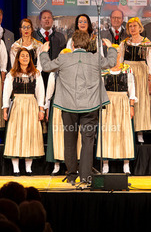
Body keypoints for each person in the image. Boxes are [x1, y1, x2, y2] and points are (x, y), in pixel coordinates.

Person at [40, 31, 118, 186]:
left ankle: (71, 176)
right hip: (90, 106)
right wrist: (111, 48)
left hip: (68, 106)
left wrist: (43, 52)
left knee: (69, 141)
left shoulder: (64, 58)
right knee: (88, 141)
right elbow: (111, 62)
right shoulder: (95, 58)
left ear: (73, 44)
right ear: (88, 45)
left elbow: (46, 67)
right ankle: (85, 176)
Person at [2, 48, 46, 176]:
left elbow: (40, 92)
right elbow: (6, 93)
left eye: (27, 56)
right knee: (15, 134)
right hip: (17, 105)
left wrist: (41, 109)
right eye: (22, 56)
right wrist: (5, 110)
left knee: (30, 134)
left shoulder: (36, 74)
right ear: (18, 58)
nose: (25, 58)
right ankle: (16, 168)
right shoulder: (12, 74)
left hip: (31, 104)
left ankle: (28, 168)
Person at [97, 52, 136, 175]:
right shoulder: (104, 70)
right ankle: (105, 165)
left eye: (117, 53)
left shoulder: (127, 69)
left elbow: (132, 89)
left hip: (122, 101)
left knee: (124, 131)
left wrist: (131, 106)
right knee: (107, 132)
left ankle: (126, 164)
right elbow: (100, 89)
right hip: (108, 101)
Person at [120, 17, 151, 143]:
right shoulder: (124, 43)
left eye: (135, 26)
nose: (132, 28)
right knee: (128, 99)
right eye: (130, 26)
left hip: (141, 73)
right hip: (127, 70)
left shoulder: (146, 43)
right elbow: (120, 59)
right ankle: (128, 130)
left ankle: (139, 131)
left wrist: (149, 78)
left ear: (140, 27)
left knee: (140, 101)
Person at [44, 67, 81, 175]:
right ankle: (57, 165)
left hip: (74, 104)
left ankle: (74, 165)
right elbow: (49, 94)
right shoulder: (54, 74)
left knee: (73, 134)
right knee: (58, 134)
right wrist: (47, 108)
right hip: (58, 105)